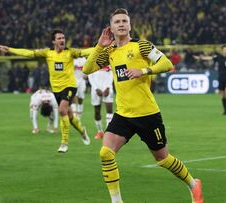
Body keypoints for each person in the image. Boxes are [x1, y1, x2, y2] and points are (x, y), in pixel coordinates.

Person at [83, 8, 203, 203]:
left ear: (130, 25)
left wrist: (144, 70)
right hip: (123, 114)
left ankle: (193, 184)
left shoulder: (142, 46)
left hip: (147, 114)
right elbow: (88, 69)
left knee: (163, 158)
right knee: (105, 153)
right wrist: (99, 45)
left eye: (124, 21)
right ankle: (116, 201)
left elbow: (166, 64)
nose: (121, 24)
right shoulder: (110, 51)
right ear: (111, 28)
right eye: (117, 22)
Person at [0, 29, 91, 153]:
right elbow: (29, 53)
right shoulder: (48, 53)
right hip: (56, 89)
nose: (62, 40)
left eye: (63, 38)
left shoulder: (70, 52)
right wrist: (10, 49)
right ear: (53, 41)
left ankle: (64, 143)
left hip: (70, 86)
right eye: (59, 38)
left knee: (62, 110)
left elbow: (86, 51)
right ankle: (82, 131)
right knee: (69, 116)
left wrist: (103, 46)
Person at [195, 45, 226, 115]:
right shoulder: (219, 57)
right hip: (221, 78)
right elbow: (210, 58)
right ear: (222, 50)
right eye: (225, 49)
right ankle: (225, 110)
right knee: (223, 95)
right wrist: (201, 58)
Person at [88, 66, 114, 139]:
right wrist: (96, 88)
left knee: (109, 110)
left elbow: (112, 74)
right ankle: (100, 131)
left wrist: (108, 87)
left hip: (107, 88)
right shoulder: (93, 61)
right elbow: (90, 76)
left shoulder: (108, 59)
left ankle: (108, 132)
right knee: (97, 111)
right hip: (96, 89)